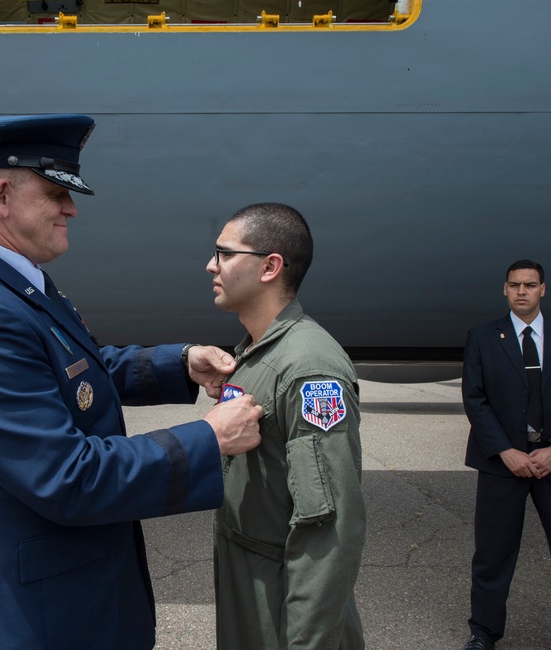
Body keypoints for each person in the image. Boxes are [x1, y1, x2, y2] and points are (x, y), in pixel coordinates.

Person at [0, 113, 263, 650]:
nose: (70, 207)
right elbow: (66, 477)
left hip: (66, 596)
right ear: (2, 197)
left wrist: (179, 363)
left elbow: (76, 372)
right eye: (55, 193)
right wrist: (209, 440)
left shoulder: (14, 282)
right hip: (30, 619)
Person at [207, 202, 367, 650]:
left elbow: (329, 528)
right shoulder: (258, 353)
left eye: (224, 252)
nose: (210, 264)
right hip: (248, 577)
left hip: (279, 594)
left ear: (270, 267)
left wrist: (306, 640)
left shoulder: (309, 369)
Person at [461, 260, 551, 650]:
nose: (522, 291)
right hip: (503, 465)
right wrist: (506, 450)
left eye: (530, 285)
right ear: (504, 290)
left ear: (543, 290)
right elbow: (475, 399)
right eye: (515, 285)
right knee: (492, 555)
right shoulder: (484, 338)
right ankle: (483, 632)